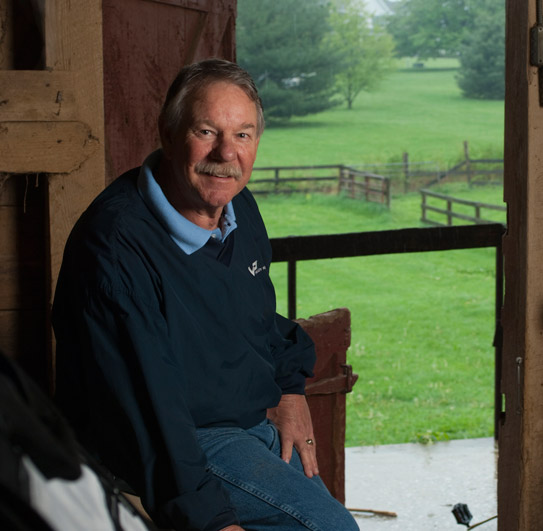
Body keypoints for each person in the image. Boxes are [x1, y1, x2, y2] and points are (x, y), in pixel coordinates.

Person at [52, 58, 360, 531]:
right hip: (183, 436)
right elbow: (145, 413)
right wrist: (209, 519)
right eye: (206, 131)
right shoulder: (116, 247)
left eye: (243, 134)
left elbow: (257, 318)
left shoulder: (239, 207)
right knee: (333, 529)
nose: (226, 152)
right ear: (169, 132)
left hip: (244, 420)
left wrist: (291, 387)